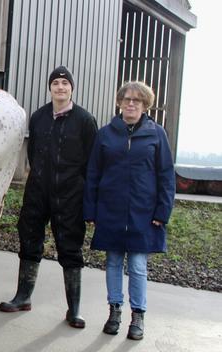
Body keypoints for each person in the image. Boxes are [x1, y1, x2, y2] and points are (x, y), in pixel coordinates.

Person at [0, 66, 97, 329]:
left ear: (72, 88)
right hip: (37, 192)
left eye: (65, 83)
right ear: (50, 88)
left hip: (70, 196)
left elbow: (91, 164)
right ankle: (23, 297)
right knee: (29, 239)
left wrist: (84, 197)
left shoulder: (85, 120)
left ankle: (74, 309)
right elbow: (32, 152)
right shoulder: (39, 117)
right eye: (56, 83)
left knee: (70, 248)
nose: (60, 87)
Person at [84, 81, 175, 340]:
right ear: (120, 103)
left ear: (146, 105)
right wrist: (90, 210)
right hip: (110, 211)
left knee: (137, 265)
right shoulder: (105, 134)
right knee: (113, 262)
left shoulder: (157, 134)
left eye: (137, 100)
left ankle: (138, 317)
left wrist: (162, 212)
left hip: (143, 213)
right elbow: (93, 174)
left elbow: (166, 176)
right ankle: (114, 311)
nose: (131, 103)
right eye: (127, 99)